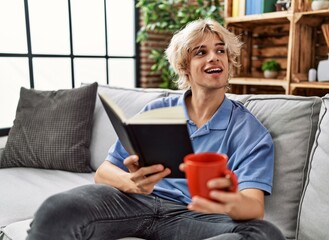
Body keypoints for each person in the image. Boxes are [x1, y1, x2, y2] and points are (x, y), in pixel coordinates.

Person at [27, 19, 285, 240]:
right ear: (184, 67)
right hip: (134, 203)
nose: (214, 57)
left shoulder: (249, 131)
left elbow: (254, 207)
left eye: (221, 51)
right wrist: (131, 183)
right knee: (56, 208)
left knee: (264, 234)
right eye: (200, 52)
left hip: (195, 217)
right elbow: (104, 172)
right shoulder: (158, 111)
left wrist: (230, 201)